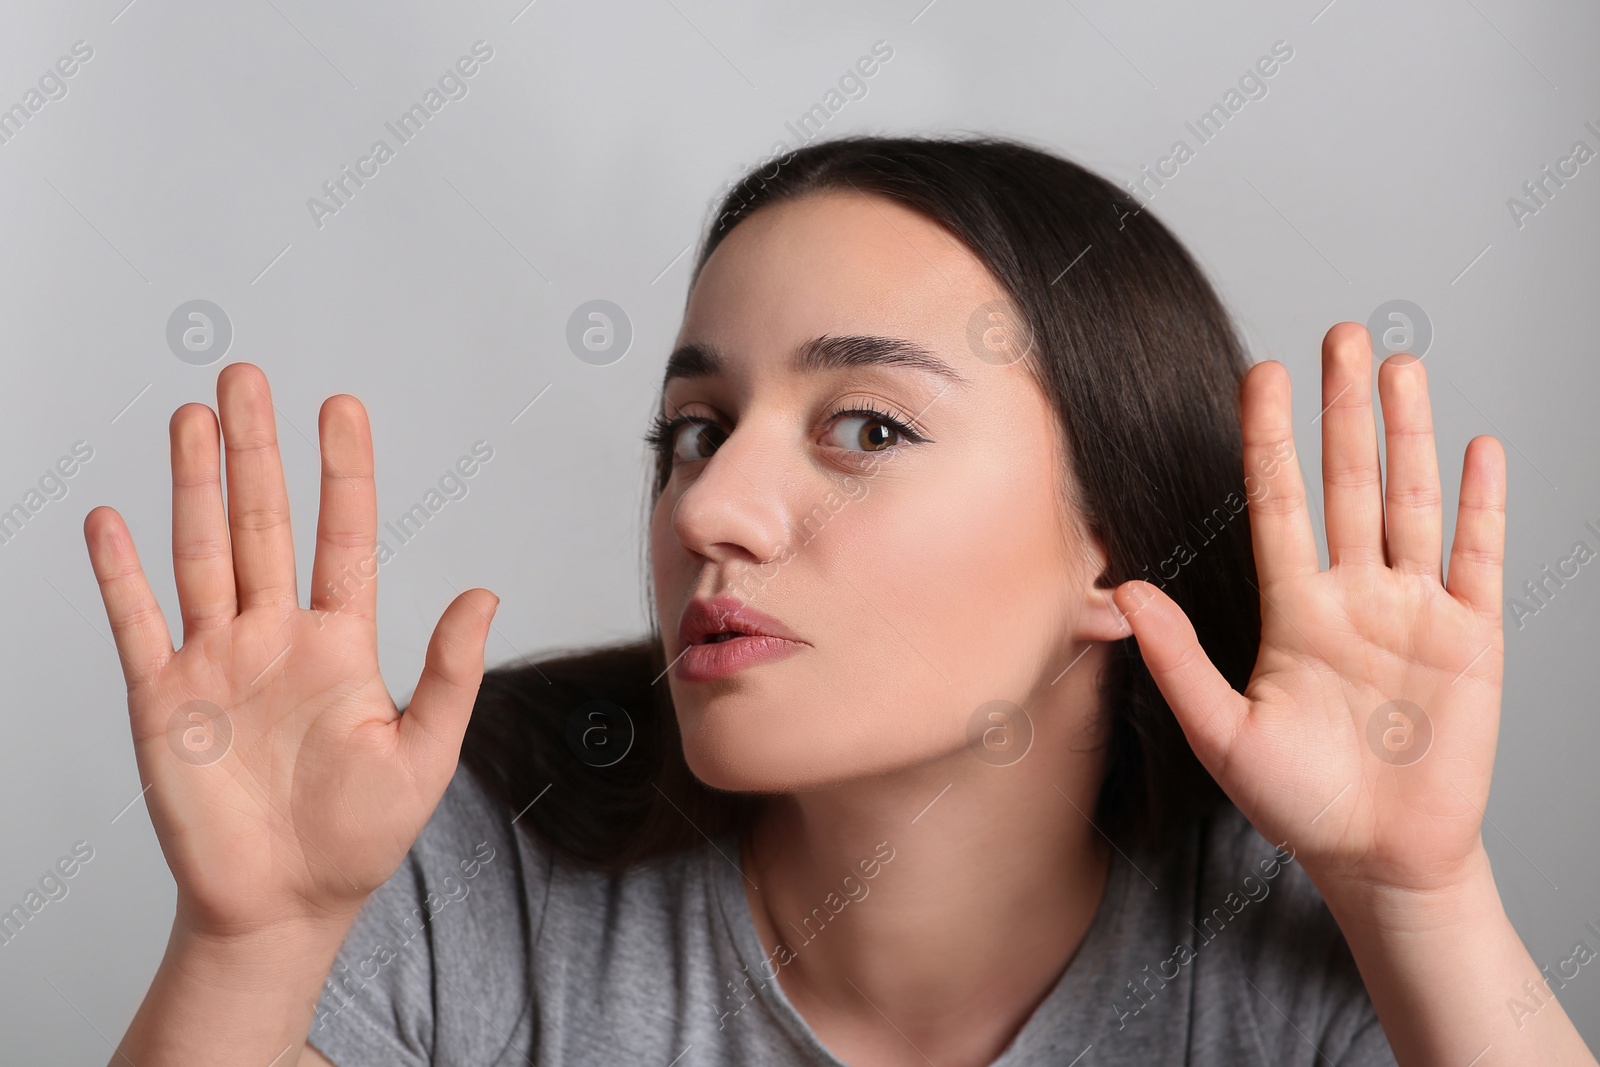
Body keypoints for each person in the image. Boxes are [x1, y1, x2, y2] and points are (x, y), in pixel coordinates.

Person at [85, 136, 1597, 1066]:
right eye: (693, 430)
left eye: (865, 427)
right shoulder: (465, 867)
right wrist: (248, 948)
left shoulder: (1284, 949)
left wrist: (1420, 898)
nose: (710, 508)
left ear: (1114, 543)